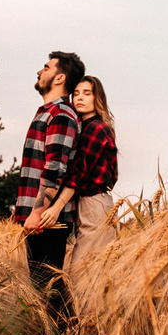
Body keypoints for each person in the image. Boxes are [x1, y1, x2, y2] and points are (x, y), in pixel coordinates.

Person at [14, 50, 84, 324]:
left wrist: (37, 212)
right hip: (40, 216)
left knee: (49, 286)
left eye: (46, 67)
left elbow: (55, 168)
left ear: (60, 77)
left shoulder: (62, 114)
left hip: (48, 218)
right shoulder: (48, 112)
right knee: (43, 286)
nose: (39, 71)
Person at [68, 75, 120, 266]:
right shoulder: (84, 128)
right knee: (91, 268)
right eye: (76, 94)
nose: (80, 98)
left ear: (97, 98)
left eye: (87, 93)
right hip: (90, 203)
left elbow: (78, 172)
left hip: (93, 202)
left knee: (82, 269)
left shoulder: (95, 128)